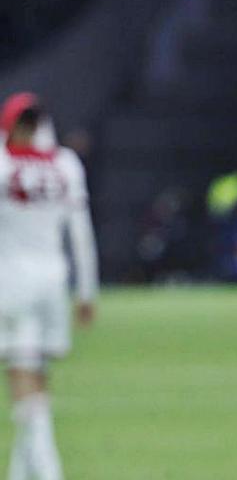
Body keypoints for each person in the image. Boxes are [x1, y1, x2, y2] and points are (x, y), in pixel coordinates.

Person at [0, 92, 99, 480]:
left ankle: (49, 470)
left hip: (12, 284)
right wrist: (86, 290)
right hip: (53, 283)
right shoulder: (66, 165)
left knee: (22, 380)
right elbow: (81, 233)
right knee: (37, 378)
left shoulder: (5, 167)